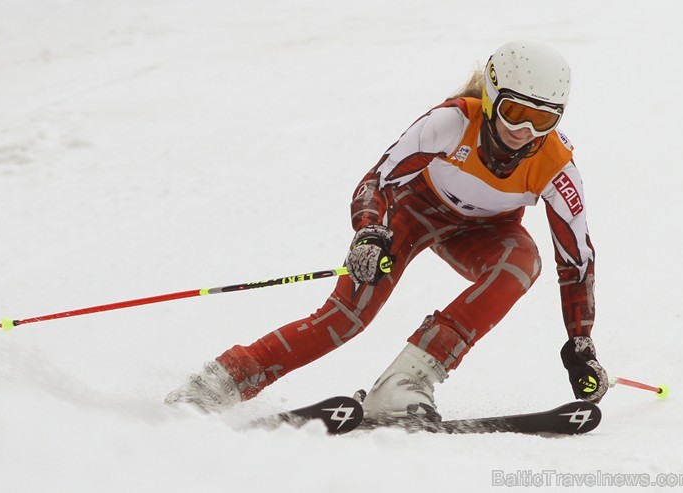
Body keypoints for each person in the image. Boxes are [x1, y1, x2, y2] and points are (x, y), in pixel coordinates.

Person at [165, 40, 608, 419]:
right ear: (492, 97)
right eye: (513, 112)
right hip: (412, 212)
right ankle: (221, 381)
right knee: (345, 319)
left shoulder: (556, 166)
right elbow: (376, 181)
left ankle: (406, 381)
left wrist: (581, 341)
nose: (524, 131)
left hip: (483, 233)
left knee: (521, 261)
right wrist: (370, 232)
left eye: (543, 119)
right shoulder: (451, 123)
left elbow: (577, 260)